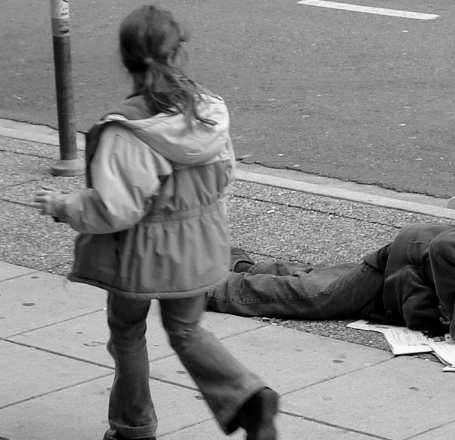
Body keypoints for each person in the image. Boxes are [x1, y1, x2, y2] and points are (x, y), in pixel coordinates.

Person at [33, 6, 278, 440]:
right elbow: (223, 178)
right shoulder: (207, 111)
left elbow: (114, 209)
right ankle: (248, 394)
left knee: (127, 331)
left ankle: (133, 427)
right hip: (201, 242)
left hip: (141, 255)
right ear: (178, 51)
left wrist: (62, 205)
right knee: (186, 329)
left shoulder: (127, 129)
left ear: (126, 60)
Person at [207, 217, 455, 361]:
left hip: (404, 294)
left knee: (312, 277)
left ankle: (230, 261)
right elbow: (448, 248)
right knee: (317, 298)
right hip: (408, 259)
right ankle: (201, 289)